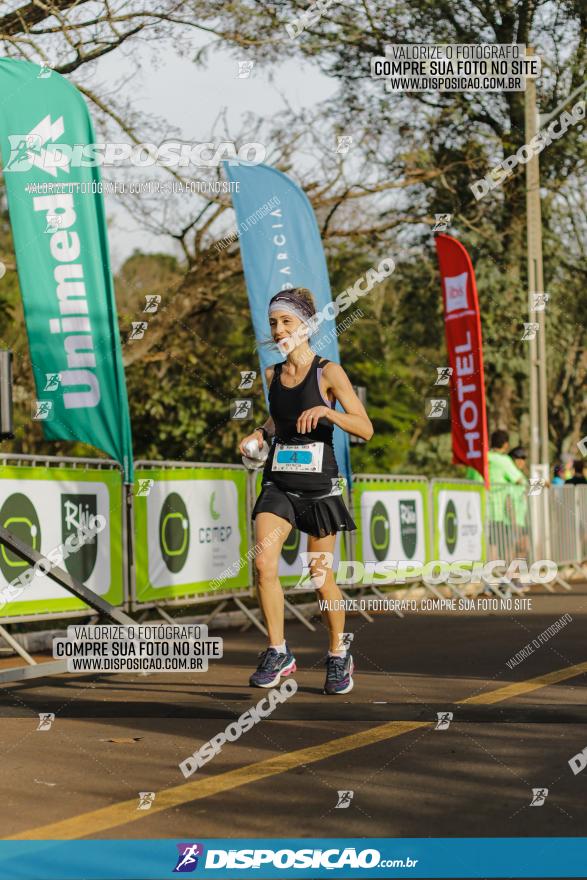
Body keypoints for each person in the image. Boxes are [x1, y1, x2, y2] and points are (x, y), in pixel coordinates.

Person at [239, 287, 373, 695]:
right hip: (279, 482)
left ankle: (337, 653)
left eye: (287, 322)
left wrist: (328, 411)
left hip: (319, 487)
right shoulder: (272, 375)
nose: (279, 330)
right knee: (263, 567)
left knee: (319, 577)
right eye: (274, 323)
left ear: (307, 324)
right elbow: (278, 420)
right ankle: (278, 650)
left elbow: (365, 428)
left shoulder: (328, 372)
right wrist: (259, 434)